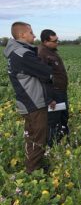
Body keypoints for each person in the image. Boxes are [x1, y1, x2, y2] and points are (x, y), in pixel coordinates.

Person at [3, 22, 55, 173]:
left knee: (33, 136)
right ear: (22, 35)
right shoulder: (23, 54)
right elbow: (46, 72)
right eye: (31, 32)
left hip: (29, 100)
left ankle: (35, 166)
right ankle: (33, 171)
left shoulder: (18, 52)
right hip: (33, 103)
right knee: (37, 137)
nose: (34, 35)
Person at [38, 29, 69, 147]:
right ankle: (53, 146)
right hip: (54, 93)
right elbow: (43, 78)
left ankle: (63, 141)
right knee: (54, 121)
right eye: (55, 40)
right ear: (45, 41)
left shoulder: (51, 51)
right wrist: (49, 98)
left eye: (57, 40)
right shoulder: (42, 54)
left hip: (60, 92)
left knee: (63, 117)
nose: (57, 42)